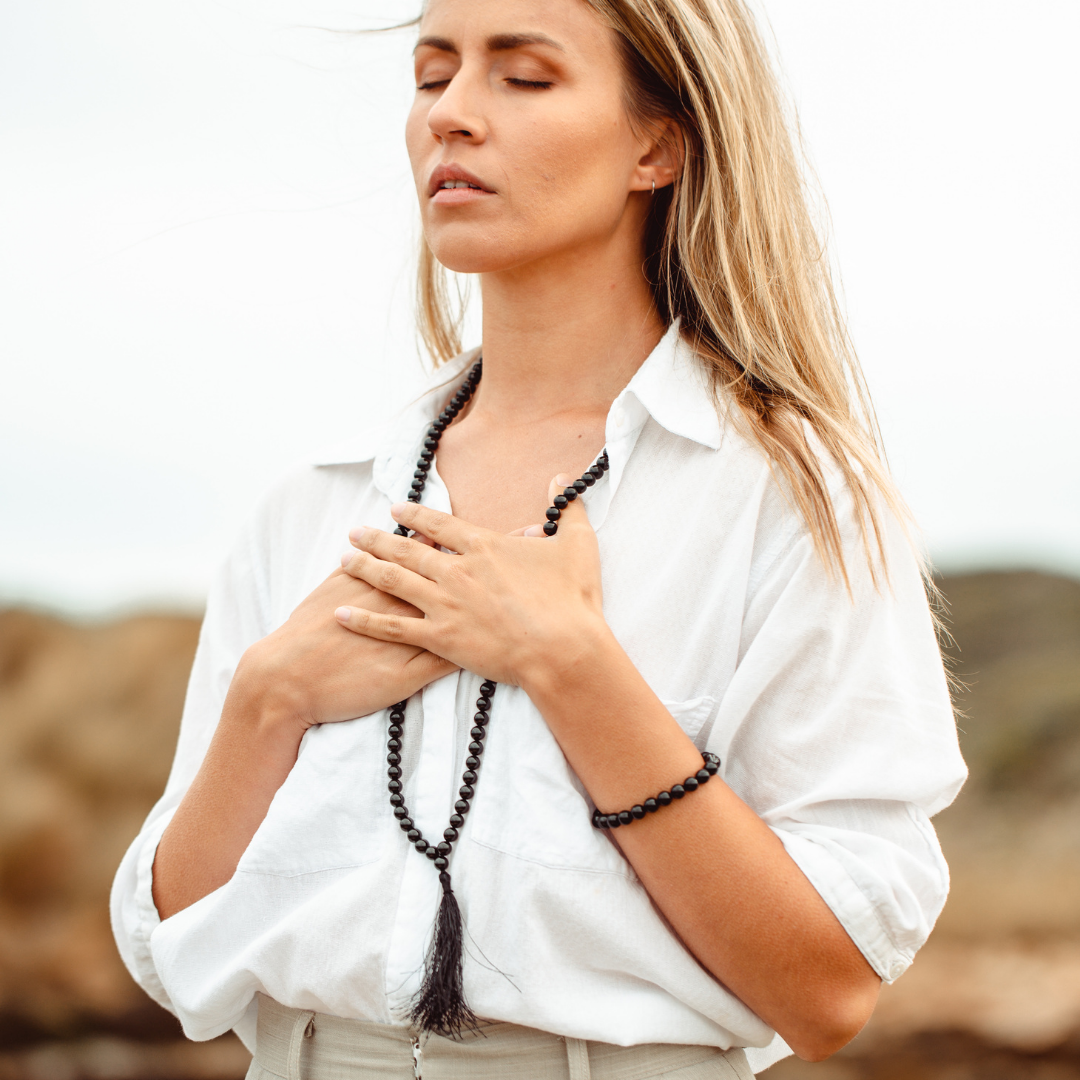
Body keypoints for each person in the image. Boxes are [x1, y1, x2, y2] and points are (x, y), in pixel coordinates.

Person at [111, 0, 967, 1075]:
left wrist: (572, 667)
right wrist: (269, 699)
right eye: (432, 76)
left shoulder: (792, 498)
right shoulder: (314, 502)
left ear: (657, 142)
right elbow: (167, 948)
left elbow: (831, 986)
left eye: (523, 79)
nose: (453, 116)